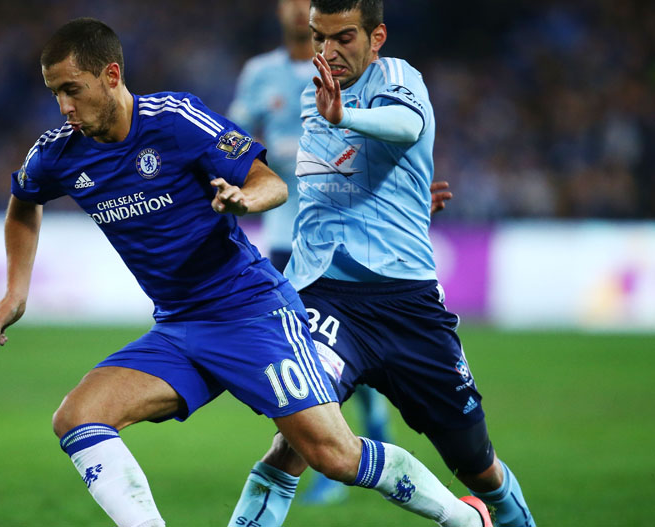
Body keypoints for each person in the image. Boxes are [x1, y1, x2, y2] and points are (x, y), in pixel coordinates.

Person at [0, 17, 491, 527]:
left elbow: (272, 183)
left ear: (111, 75)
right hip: (179, 328)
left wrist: (243, 199)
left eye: (72, 90)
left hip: (253, 314)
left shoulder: (174, 120)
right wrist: (15, 292)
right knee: (77, 417)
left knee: (334, 456)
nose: (64, 107)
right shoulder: (58, 153)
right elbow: (23, 203)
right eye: (55, 93)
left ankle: (465, 519)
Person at [226, 1, 535, 526]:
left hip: (406, 304)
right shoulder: (311, 96)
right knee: (298, 439)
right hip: (326, 298)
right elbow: (331, 183)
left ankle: (505, 514)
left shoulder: (397, 78)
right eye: (320, 37)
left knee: (476, 464)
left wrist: (346, 120)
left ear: (377, 37)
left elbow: (405, 126)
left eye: (343, 37)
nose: (328, 52)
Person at [228, 0, 394, 506]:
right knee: (303, 350)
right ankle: (335, 445)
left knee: (341, 342)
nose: (298, 7)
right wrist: (258, 157)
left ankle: (353, 435)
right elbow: (229, 136)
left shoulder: (353, 67)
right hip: (285, 233)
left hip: (344, 231)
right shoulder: (260, 73)